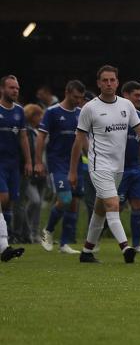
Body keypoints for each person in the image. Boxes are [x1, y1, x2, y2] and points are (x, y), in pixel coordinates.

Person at [69, 65, 140, 263]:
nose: (109, 83)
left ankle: (87, 252)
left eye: (112, 80)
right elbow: (78, 140)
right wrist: (73, 171)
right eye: (105, 80)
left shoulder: (126, 106)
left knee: (100, 209)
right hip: (98, 165)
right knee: (113, 204)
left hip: (118, 168)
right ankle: (125, 248)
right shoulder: (90, 108)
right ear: (98, 83)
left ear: (117, 82)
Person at [36, 80, 86, 254]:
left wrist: (92, 158)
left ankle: (64, 244)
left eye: (81, 98)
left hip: (76, 163)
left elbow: (83, 140)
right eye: (75, 97)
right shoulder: (52, 112)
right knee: (65, 199)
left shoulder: (81, 113)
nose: (78, 101)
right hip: (57, 163)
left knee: (73, 203)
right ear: (67, 92)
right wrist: (38, 162)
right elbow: (41, 137)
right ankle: (48, 230)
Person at [117, 81, 140, 254]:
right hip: (118, 169)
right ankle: (96, 240)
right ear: (125, 95)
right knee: (113, 206)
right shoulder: (115, 114)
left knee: (138, 205)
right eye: (136, 95)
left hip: (135, 168)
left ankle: (136, 245)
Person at [0, 76, 32, 238]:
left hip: (14, 163)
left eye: (17, 88)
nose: (15, 91)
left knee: (11, 201)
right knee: (3, 197)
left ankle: (7, 237)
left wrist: (28, 161)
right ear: (2, 89)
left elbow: (23, 137)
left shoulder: (19, 111)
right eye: (11, 87)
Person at [14, 104, 44, 243]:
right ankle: (23, 233)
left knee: (36, 203)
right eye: (39, 115)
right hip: (24, 171)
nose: (41, 118)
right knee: (31, 201)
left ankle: (31, 233)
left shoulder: (36, 131)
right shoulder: (25, 130)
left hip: (38, 173)